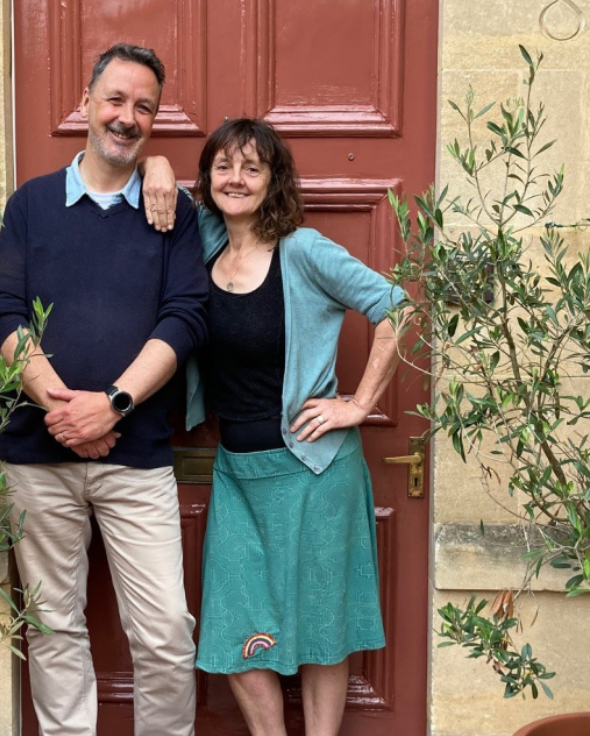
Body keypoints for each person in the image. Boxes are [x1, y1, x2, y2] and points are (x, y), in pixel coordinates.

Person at [144, 118, 404, 736]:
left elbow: (398, 306)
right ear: (209, 177)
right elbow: (166, 193)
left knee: (320, 631)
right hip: (238, 472)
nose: (237, 179)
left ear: (274, 180)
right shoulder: (205, 240)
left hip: (315, 472)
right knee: (235, 629)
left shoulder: (305, 250)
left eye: (252, 168)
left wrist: (358, 404)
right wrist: (156, 161)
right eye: (224, 166)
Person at [0, 44, 207, 736]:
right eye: (115, 99)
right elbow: (0, 311)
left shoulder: (174, 212)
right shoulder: (33, 204)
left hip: (134, 456)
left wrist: (111, 405)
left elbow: (186, 315)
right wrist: (61, 406)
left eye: (144, 107)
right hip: (38, 455)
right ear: (85, 103)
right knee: (52, 628)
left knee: (166, 633)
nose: (127, 117)